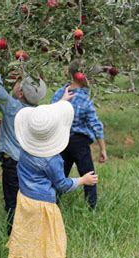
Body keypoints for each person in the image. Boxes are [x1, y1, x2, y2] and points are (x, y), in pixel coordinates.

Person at [7, 90, 98, 258]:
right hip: (44, 205)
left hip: (25, 200)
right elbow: (62, 185)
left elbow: (43, 117)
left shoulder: (25, 149)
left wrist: (62, 101)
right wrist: (82, 180)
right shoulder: (53, 160)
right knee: (54, 239)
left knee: (30, 237)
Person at [0, 65, 47, 235]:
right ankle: (31, 232)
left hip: (13, 164)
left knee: (13, 202)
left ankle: (15, 238)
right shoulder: (38, 114)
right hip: (32, 164)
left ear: (20, 93)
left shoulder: (12, 108)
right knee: (28, 199)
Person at [51, 60, 107, 209]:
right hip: (79, 143)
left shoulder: (59, 93)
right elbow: (95, 125)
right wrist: (103, 149)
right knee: (89, 174)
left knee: (60, 174)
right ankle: (91, 207)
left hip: (61, 140)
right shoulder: (84, 99)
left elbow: (51, 115)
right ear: (82, 77)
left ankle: (52, 204)